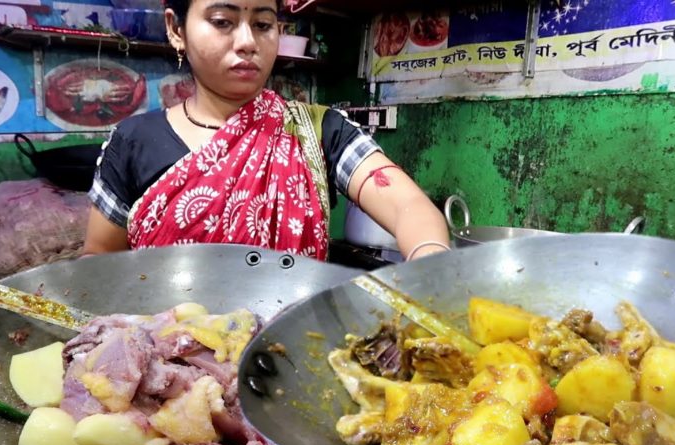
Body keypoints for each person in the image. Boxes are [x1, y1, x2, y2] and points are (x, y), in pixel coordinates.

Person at [83, 0, 450, 262]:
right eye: (223, 21)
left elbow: (409, 206)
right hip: (166, 356)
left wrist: (430, 261)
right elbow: (100, 258)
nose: (247, 42)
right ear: (176, 29)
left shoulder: (318, 131)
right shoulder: (132, 141)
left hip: (285, 353)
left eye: (262, 24)